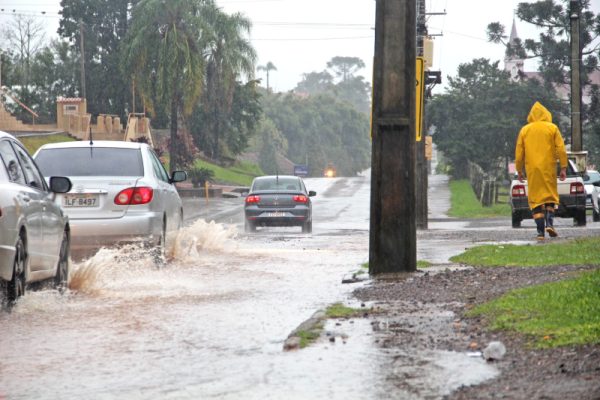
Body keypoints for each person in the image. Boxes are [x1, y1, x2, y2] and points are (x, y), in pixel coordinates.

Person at [515, 101, 567, 240]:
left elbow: (519, 153)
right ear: (546, 114)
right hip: (548, 168)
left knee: (536, 199)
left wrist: (519, 170)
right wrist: (563, 167)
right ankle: (549, 224)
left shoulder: (525, 130)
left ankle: (540, 232)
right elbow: (561, 149)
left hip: (532, 170)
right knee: (550, 196)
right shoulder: (552, 128)